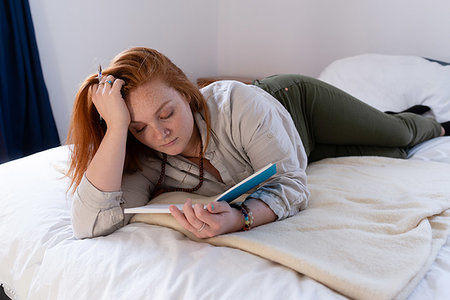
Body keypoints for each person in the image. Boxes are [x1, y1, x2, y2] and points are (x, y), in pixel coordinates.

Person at [67, 47, 448, 240]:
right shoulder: (144, 154)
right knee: (392, 154)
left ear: (186, 92)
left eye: (166, 113)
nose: (160, 134)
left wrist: (239, 218)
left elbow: (293, 185)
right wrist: (116, 128)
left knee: (402, 135)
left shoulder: (236, 102)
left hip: (298, 107)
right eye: (139, 127)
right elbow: (90, 223)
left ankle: (434, 125)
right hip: (298, 149)